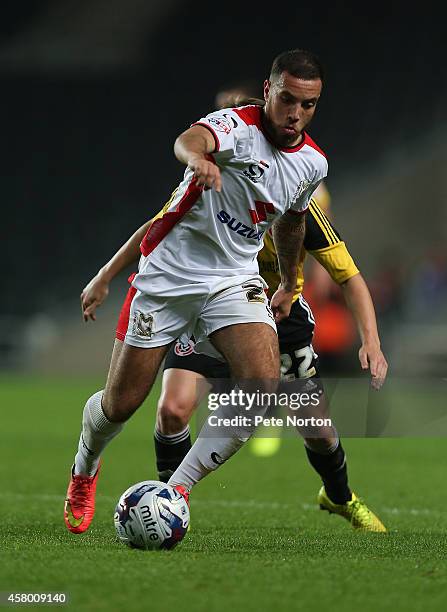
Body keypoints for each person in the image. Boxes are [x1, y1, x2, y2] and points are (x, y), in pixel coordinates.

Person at [64, 48, 327, 534]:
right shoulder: (235, 126)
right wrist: (198, 160)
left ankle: (176, 491)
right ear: (268, 91)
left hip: (232, 279)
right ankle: (84, 467)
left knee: (259, 389)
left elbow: (291, 223)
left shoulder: (311, 164)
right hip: (167, 275)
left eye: (308, 105)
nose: (295, 113)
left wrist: (290, 282)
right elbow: (188, 140)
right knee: (122, 403)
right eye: (288, 99)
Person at [82, 194, 388, 532]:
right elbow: (159, 225)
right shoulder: (226, 189)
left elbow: (349, 277)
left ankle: (339, 496)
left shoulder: (303, 212)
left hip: (280, 321)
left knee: (317, 429)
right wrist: (106, 274)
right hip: (210, 308)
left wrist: (371, 341)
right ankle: (171, 504)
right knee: (173, 408)